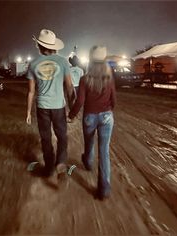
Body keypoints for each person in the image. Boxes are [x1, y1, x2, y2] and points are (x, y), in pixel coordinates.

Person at [26, 29, 75, 178]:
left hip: (42, 107)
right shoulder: (63, 61)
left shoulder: (33, 64)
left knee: (45, 138)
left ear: (40, 46)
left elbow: (31, 92)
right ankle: (60, 162)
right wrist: (72, 109)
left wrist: (28, 112)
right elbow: (69, 87)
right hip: (58, 107)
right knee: (62, 136)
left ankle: (49, 168)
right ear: (53, 46)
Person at [68, 45, 116, 200]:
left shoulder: (84, 79)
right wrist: (108, 111)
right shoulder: (109, 78)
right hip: (107, 116)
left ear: (90, 60)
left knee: (89, 143)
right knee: (104, 151)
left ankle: (88, 162)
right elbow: (114, 100)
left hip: (90, 116)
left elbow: (80, 101)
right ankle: (104, 188)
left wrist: (71, 115)